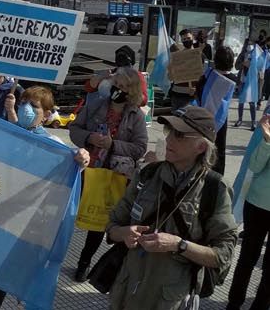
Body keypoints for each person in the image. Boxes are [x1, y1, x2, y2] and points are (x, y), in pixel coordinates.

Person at [0, 87, 90, 310]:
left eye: (34, 106)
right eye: (23, 103)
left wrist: (82, 160)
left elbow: (70, 168)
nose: (26, 108)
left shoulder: (54, 144)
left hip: (16, 228)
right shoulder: (7, 133)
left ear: (46, 114)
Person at [106, 105, 237, 310]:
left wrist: (179, 244)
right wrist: (123, 232)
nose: (168, 140)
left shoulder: (215, 188)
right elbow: (112, 226)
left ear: (201, 147)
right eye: (169, 132)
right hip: (127, 291)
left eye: (179, 135)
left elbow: (223, 255)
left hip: (170, 299)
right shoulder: (148, 175)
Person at [68, 67, 149, 281]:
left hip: (116, 176)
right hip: (89, 170)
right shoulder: (95, 105)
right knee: (80, 215)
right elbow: (74, 129)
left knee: (102, 222)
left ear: (131, 91)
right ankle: (75, 259)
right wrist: (89, 138)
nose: (118, 90)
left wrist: (114, 145)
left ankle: (90, 264)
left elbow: (140, 148)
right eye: (116, 85)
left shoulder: (136, 116)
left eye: (123, 87)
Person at [228, 112, 270, 310]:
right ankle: (234, 303)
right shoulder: (267, 127)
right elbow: (253, 165)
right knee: (246, 258)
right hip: (256, 204)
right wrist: (267, 141)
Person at [199, 45, 238, 175]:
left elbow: (198, 92)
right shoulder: (232, 79)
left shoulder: (208, 74)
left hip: (203, 116)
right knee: (219, 148)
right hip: (221, 119)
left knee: (202, 145)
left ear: (216, 60)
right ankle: (217, 175)